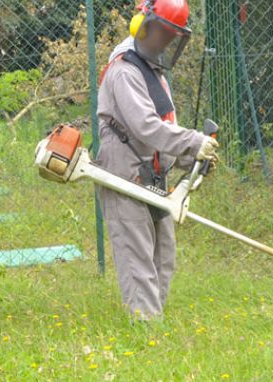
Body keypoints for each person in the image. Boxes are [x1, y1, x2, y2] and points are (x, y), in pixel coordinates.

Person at [95, 0, 218, 320]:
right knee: (138, 263)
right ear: (141, 25)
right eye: (163, 32)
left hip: (152, 177)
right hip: (125, 176)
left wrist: (188, 158)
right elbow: (145, 126)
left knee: (163, 258)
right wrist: (193, 141)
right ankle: (146, 331)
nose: (165, 41)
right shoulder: (124, 70)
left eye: (172, 35)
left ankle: (152, 327)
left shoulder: (154, 73)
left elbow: (161, 131)